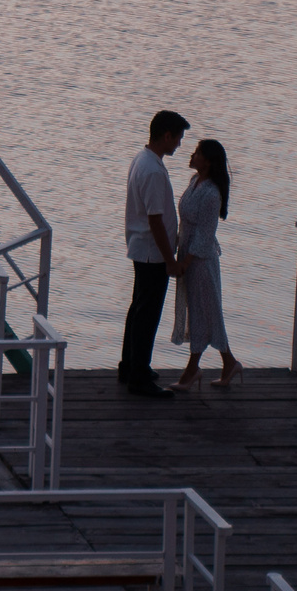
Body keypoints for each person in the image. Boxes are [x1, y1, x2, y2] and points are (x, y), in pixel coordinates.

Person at [120, 111, 189, 397]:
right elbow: (156, 220)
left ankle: (131, 366)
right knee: (147, 314)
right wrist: (170, 260)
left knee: (138, 308)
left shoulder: (144, 160)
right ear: (167, 135)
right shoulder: (151, 170)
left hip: (143, 249)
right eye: (178, 138)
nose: (180, 145)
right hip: (152, 253)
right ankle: (139, 377)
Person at [174, 139, 243, 390]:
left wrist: (186, 262)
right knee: (203, 311)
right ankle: (228, 362)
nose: (192, 155)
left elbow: (205, 234)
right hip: (188, 255)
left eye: (198, 153)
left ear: (208, 161)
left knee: (206, 311)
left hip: (201, 261)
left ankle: (194, 370)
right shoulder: (195, 183)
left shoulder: (212, 193)